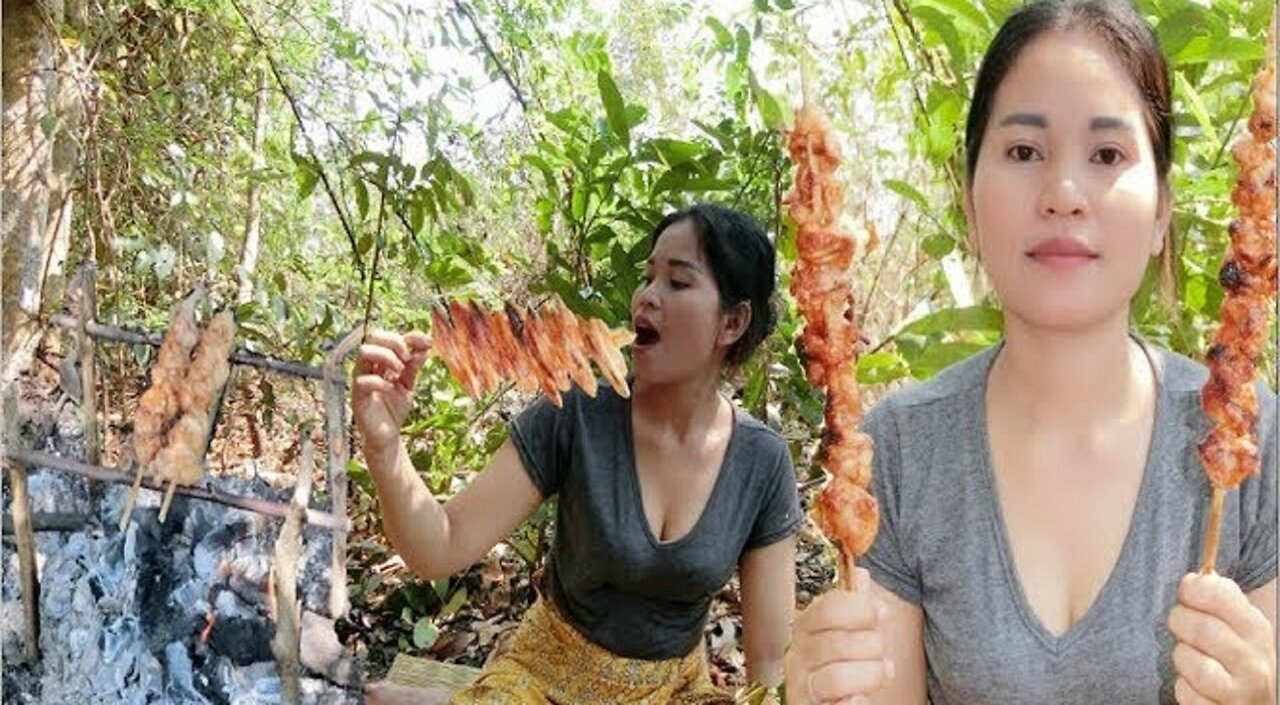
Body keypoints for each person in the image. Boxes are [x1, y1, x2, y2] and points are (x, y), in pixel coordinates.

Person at [782, 1, 1277, 703]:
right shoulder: (898, 451)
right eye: (1023, 152)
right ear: (969, 200)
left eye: (1107, 154)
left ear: (1163, 209)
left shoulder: (1258, 445)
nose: (1064, 193)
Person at [354, 203, 802, 704]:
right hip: (547, 678)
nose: (647, 297)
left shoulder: (761, 462)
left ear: (733, 323)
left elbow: (769, 665)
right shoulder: (578, 413)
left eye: (677, 283)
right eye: (648, 277)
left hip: (672, 693)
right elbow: (440, 546)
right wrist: (384, 443)